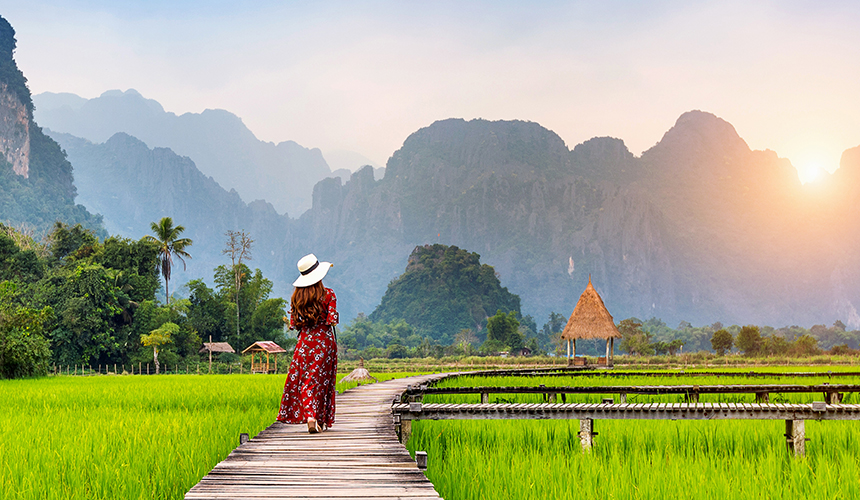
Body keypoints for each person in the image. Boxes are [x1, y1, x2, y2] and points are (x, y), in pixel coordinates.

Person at [277, 253, 338, 433]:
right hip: (324, 343)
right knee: (322, 380)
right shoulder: (329, 294)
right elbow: (332, 319)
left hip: (305, 344)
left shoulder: (297, 298)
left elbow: (294, 324)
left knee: (307, 380)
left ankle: (311, 417)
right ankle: (317, 417)